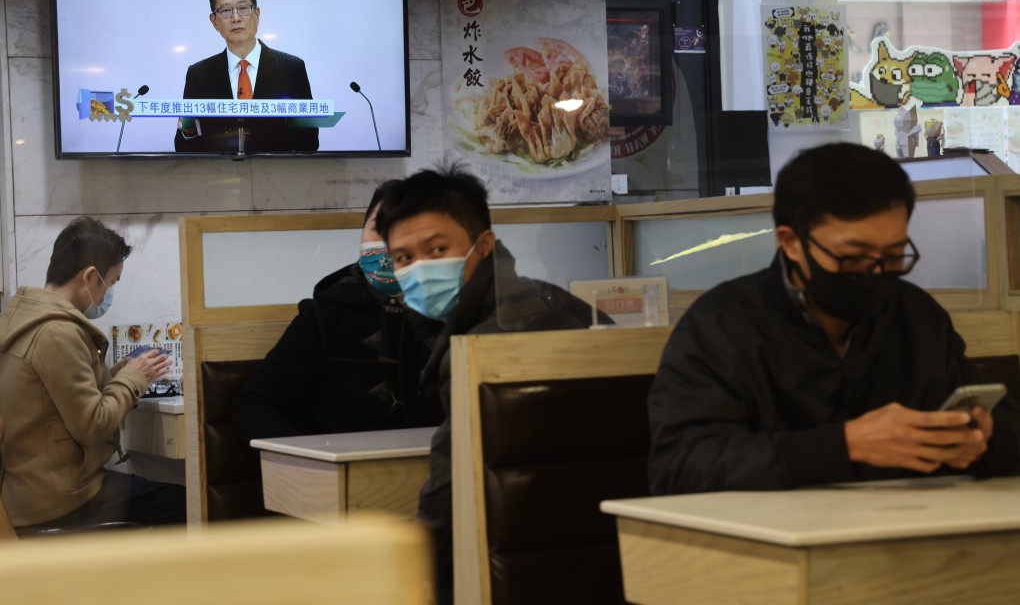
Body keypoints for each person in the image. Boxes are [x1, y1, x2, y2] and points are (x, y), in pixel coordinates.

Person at [648, 143, 1020, 495]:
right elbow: (681, 467)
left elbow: (1006, 431)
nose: (876, 274)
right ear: (791, 242)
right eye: (853, 258)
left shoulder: (916, 317)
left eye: (892, 256)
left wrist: (983, 444)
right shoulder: (722, 326)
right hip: (766, 550)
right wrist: (844, 446)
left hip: (909, 537)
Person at [374, 165, 603, 605]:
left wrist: (411, 574)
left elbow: (450, 490)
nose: (420, 269)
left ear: (484, 245)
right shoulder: (549, 298)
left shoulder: (487, 344)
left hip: (526, 567)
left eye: (437, 249)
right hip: (587, 548)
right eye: (403, 258)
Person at [0, 217, 186, 534]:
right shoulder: (56, 333)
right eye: (111, 282)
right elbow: (92, 424)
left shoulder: (20, 317)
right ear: (89, 276)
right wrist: (133, 379)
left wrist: (121, 373)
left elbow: (58, 400)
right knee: (189, 504)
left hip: (27, 491)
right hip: (60, 499)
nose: (108, 294)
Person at [232, 181, 442, 442]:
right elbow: (254, 405)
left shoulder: (455, 314)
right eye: (381, 229)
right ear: (362, 232)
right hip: (344, 475)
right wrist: (309, 464)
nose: (390, 243)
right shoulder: (324, 314)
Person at [174, 0, 318, 153]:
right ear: (214, 21)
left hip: (276, 174)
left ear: (257, 14)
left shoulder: (292, 67)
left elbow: (310, 141)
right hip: (218, 175)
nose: (236, 18)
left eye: (243, 8)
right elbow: (183, 147)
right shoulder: (199, 73)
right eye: (226, 10)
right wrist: (188, 131)